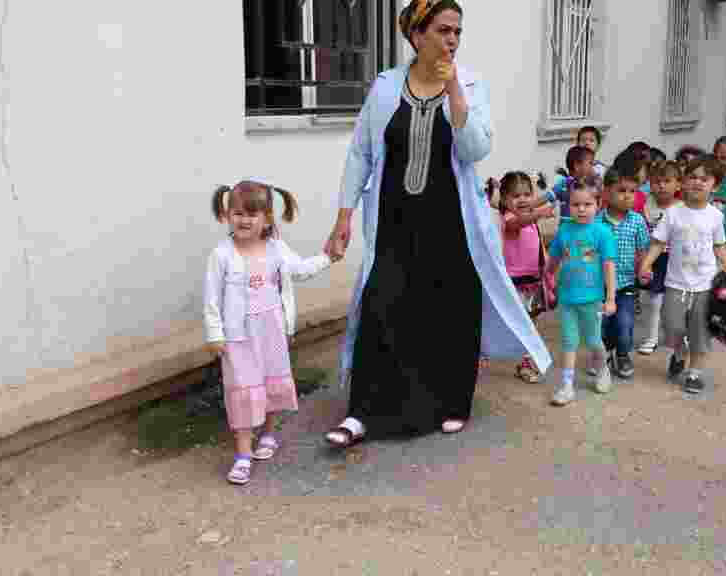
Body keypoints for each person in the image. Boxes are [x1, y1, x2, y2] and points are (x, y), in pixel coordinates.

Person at [323, 0, 551, 446]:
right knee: (382, 304)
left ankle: (451, 402)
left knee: (448, 312)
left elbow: (476, 150)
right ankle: (363, 411)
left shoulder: (470, 83)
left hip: (451, 224)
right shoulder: (386, 87)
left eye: (457, 32)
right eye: (443, 30)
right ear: (417, 34)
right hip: (394, 221)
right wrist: (344, 218)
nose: (452, 40)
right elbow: (361, 154)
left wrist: (456, 96)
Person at [204, 180, 334, 485]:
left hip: (272, 329)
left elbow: (299, 269)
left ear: (267, 219)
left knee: (271, 382)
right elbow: (211, 298)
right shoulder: (221, 255)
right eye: (237, 213)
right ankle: (243, 455)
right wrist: (215, 334)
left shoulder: (275, 248)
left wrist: (329, 257)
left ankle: (269, 435)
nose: (244, 220)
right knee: (243, 389)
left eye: (252, 214)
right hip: (238, 336)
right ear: (226, 215)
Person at [639, 156, 726, 395]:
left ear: (715, 185)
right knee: (672, 328)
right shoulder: (673, 213)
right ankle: (679, 352)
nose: (698, 183)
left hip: (704, 285)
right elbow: (659, 243)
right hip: (675, 283)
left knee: (700, 332)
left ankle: (694, 373)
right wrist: (646, 265)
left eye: (705, 178)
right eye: (692, 177)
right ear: (683, 182)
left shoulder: (716, 216)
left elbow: (719, 244)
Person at [545, 177, 618, 405]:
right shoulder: (564, 230)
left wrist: (610, 298)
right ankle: (566, 385)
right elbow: (554, 259)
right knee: (569, 341)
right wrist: (547, 275)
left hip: (592, 300)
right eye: (576, 204)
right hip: (567, 299)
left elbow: (608, 266)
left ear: (598, 204)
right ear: (569, 206)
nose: (582, 209)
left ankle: (603, 369)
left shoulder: (602, 233)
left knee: (594, 341)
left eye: (587, 204)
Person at [493, 171, 557, 383]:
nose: (522, 199)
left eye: (527, 194)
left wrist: (548, 272)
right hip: (515, 282)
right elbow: (516, 224)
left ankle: (525, 362)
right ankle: (492, 351)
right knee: (518, 325)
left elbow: (539, 247)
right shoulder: (509, 218)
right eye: (516, 196)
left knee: (530, 324)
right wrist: (538, 213)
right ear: (504, 200)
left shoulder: (531, 221)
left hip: (533, 280)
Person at [596, 167, 650, 380]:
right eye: (621, 190)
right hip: (599, 286)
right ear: (607, 192)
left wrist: (644, 270)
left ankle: (623, 354)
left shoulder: (637, 221)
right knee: (601, 325)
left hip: (627, 284)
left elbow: (643, 251)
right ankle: (604, 355)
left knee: (625, 323)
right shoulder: (597, 221)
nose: (628, 196)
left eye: (632, 191)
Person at [637, 160, 683, 355]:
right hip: (652, 258)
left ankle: (674, 335)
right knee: (653, 300)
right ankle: (651, 338)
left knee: (674, 301)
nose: (661, 186)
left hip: (676, 260)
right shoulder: (645, 204)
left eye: (667, 181)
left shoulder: (682, 207)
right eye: (657, 181)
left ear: (678, 184)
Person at [550, 145, 597, 218]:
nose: (593, 167)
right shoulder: (565, 183)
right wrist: (532, 206)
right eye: (590, 163)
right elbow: (548, 197)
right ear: (577, 166)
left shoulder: (592, 184)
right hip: (568, 225)